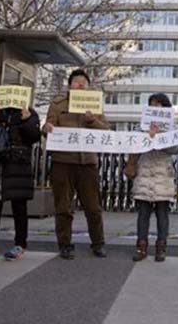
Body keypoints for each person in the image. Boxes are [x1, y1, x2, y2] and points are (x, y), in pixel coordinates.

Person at [42, 69, 110, 259]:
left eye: (83, 82)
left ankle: (98, 243)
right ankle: (64, 244)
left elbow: (106, 131)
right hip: (62, 162)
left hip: (88, 163)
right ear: (69, 85)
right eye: (76, 81)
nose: (80, 84)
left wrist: (92, 120)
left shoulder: (94, 106)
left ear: (88, 86)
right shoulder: (58, 105)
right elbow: (48, 128)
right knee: (63, 207)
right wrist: (46, 128)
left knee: (93, 207)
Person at [0, 103, 41, 261]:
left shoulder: (28, 112)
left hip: (18, 166)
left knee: (19, 206)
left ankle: (20, 244)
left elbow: (35, 136)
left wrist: (26, 120)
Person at [126, 93, 178, 262]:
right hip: (144, 171)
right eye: (152, 104)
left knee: (162, 213)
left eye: (158, 104)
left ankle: (161, 248)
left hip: (163, 173)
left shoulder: (172, 126)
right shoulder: (141, 125)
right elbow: (133, 143)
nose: (155, 107)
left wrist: (159, 137)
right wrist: (146, 136)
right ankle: (141, 247)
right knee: (143, 213)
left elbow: (176, 148)